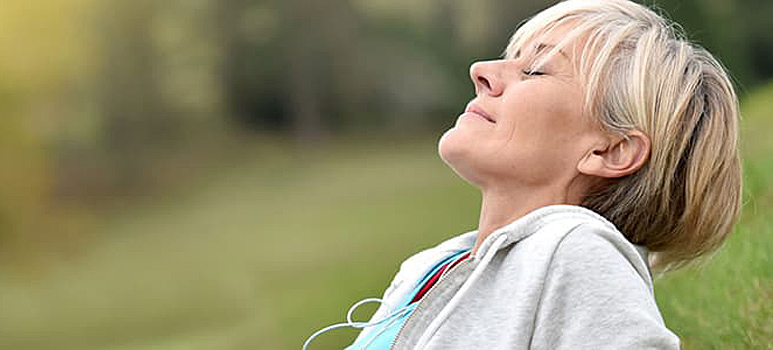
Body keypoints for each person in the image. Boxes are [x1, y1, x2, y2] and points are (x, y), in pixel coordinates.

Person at [304, 0, 742, 349]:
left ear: (611, 150)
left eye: (534, 69)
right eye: (508, 59)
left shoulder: (578, 253)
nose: (482, 71)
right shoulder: (431, 265)